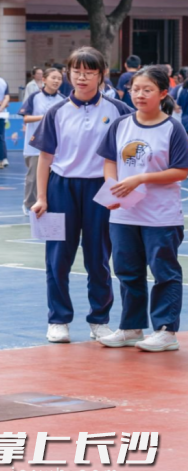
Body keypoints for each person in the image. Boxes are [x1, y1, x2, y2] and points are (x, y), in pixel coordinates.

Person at [30, 47, 135, 344]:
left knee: (98, 257)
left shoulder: (118, 110)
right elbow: (45, 159)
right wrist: (41, 197)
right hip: (61, 188)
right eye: (76, 71)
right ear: (68, 74)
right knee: (57, 258)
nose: (82, 77)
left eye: (90, 72)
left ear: (102, 75)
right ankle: (58, 319)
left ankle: (99, 319)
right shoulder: (56, 112)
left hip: (100, 190)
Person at [96, 66, 188, 352]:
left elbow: (181, 170)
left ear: (163, 93)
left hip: (160, 216)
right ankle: (131, 328)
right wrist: (112, 186)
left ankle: (165, 330)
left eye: (147, 90)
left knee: (164, 271)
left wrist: (141, 178)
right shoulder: (120, 124)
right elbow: (109, 160)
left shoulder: (173, 127)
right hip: (123, 214)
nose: (139, 94)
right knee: (126, 270)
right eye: (135, 89)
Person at [19, 67, 64, 216]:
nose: (57, 81)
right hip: (34, 146)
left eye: (59, 78)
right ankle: (30, 204)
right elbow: (26, 118)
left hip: (55, 147)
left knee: (53, 177)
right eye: (53, 78)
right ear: (44, 80)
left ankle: (49, 202)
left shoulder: (63, 100)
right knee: (33, 178)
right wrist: (45, 117)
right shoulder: (34, 97)